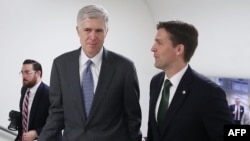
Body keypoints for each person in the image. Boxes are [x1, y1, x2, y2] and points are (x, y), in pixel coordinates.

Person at [38, 4, 142, 141]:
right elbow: (57, 113)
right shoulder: (60, 65)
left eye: (99, 31)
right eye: (87, 30)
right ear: (78, 31)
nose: (93, 37)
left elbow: (133, 119)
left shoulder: (125, 67)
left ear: (106, 32)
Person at [146, 20, 233, 141]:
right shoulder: (156, 82)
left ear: (179, 49)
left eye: (159, 43)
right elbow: (153, 130)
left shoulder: (208, 93)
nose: (152, 48)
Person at [16, 59, 62, 141]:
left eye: (27, 72)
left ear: (38, 73)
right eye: (22, 73)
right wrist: (18, 118)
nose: (24, 76)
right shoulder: (24, 89)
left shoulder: (50, 93)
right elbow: (30, 115)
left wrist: (37, 133)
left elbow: (59, 121)